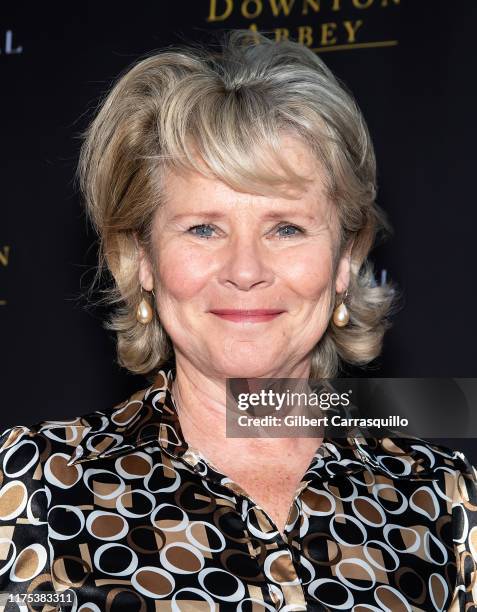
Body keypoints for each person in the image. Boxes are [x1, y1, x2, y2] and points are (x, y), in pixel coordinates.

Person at [0, 30, 475, 611]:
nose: (245, 270)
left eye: (286, 228)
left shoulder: (443, 502)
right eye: (204, 228)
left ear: (347, 260)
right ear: (142, 259)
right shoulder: (33, 489)